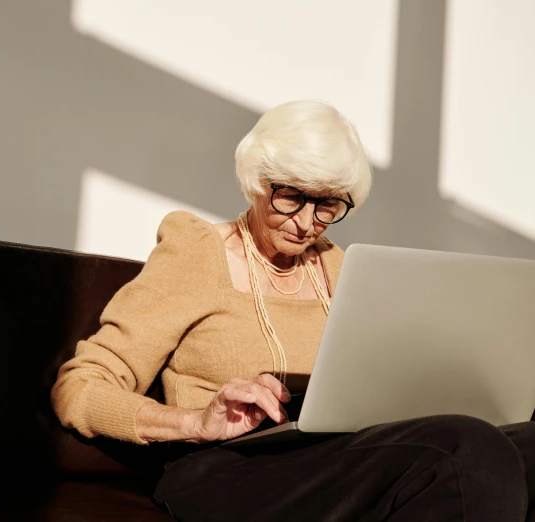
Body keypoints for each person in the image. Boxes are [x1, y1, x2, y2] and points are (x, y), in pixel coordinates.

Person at [51, 100, 535, 521]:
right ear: (258, 182)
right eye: (291, 196)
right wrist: (195, 422)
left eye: (327, 205)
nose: (307, 223)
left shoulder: (340, 267)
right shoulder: (197, 252)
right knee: (468, 449)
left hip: (334, 456)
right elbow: (80, 387)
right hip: (227, 467)